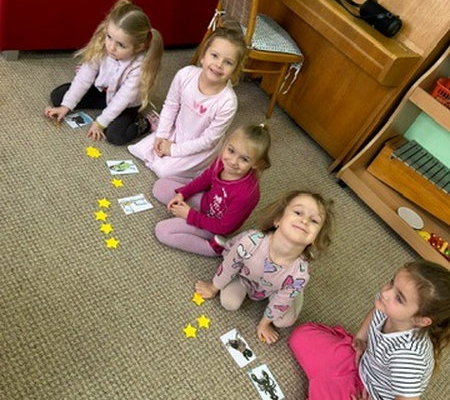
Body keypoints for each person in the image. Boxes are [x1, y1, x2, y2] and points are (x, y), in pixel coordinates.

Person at [288, 260, 450, 400]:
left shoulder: (409, 356)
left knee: (326, 390)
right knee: (301, 336)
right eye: (392, 282)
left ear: (421, 320)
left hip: (369, 393)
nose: (386, 293)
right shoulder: (386, 305)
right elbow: (374, 313)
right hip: (360, 361)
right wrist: (360, 337)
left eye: (399, 298)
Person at [195, 190, 334, 343]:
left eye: (314, 221)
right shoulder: (250, 242)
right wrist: (213, 287)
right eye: (298, 212)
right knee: (229, 303)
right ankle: (285, 290)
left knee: (283, 321)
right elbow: (229, 266)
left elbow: (280, 304)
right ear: (278, 220)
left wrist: (264, 324)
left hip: (276, 287)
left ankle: (296, 292)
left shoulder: (300, 275)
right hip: (245, 276)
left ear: (315, 239)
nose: (305, 221)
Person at [127, 26, 247, 178]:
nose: (219, 64)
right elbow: (171, 105)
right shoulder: (185, 75)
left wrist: (173, 150)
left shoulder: (228, 102)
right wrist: (161, 135)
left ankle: (193, 168)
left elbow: (208, 140)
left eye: (228, 62)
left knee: (163, 171)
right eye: (214, 55)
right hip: (177, 130)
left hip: (200, 147)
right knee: (139, 150)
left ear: (235, 71)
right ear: (203, 56)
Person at [44, 0, 163, 145]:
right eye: (109, 37)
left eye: (121, 45)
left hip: (126, 104)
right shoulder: (102, 46)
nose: (111, 47)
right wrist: (66, 106)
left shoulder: (139, 66)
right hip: (103, 92)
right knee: (59, 96)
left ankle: (146, 123)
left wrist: (101, 122)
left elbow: (122, 99)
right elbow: (84, 77)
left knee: (115, 136)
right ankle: (92, 105)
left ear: (139, 47)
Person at [152, 124, 271, 257]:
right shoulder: (222, 161)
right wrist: (182, 194)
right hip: (207, 202)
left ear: (256, 164)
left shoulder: (246, 195)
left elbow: (224, 227)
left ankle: (214, 248)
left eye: (244, 159)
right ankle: (191, 208)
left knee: (163, 231)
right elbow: (205, 179)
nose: (232, 161)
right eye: (231, 151)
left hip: (215, 226)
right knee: (160, 187)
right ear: (226, 144)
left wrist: (190, 215)